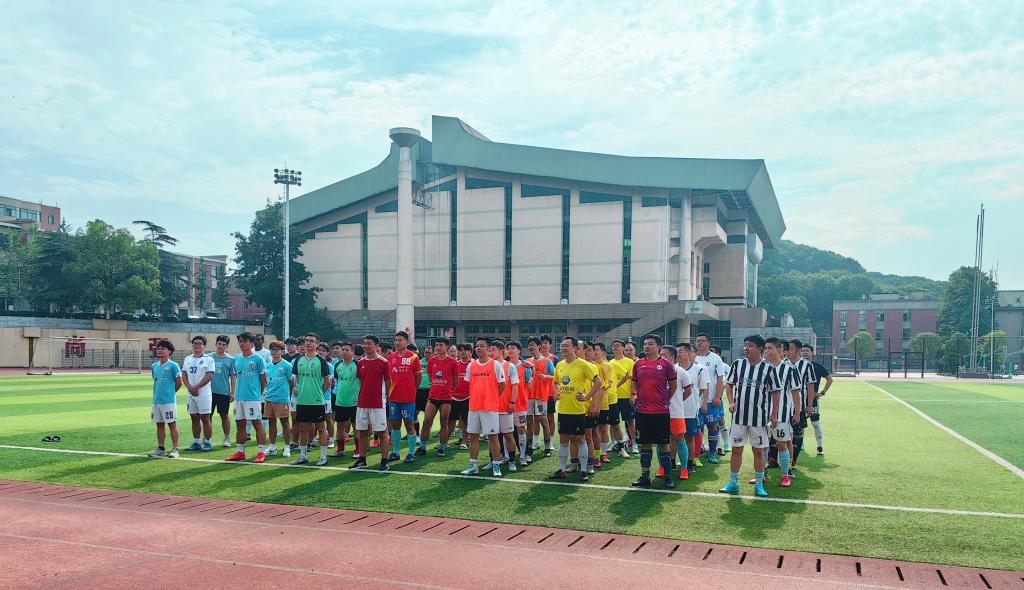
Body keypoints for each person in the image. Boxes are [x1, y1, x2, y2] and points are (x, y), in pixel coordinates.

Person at [719, 334, 781, 497]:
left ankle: (759, 484)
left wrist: (774, 414)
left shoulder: (768, 369)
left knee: (758, 452)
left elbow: (776, 392)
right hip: (739, 418)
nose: (746, 348)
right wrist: (731, 402)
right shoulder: (738, 364)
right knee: (736, 450)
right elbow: (729, 384)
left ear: (760, 348)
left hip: (759, 419)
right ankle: (733, 483)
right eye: (745, 345)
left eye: (750, 345)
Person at [630, 335, 683, 489]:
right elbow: (636, 383)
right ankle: (645, 476)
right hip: (642, 412)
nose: (646, 346)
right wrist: (637, 396)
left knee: (664, 445)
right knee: (644, 444)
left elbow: (673, 385)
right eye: (645, 344)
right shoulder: (638, 364)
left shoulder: (666, 365)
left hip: (660, 412)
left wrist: (666, 400)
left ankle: (668, 476)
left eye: (650, 344)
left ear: (658, 347)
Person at [548, 336, 601, 482]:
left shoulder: (583, 364)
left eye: (566, 346)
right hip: (563, 409)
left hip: (577, 410)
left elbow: (598, 382)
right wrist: (556, 392)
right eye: (562, 346)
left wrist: (587, 396)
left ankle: (584, 471)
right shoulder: (560, 365)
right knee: (564, 439)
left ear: (575, 348)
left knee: (580, 439)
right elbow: (555, 381)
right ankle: (562, 469)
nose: (563, 348)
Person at [460, 337, 506, 477]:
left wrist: (492, 397)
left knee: (493, 437)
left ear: (488, 348)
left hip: (490, 408)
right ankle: (473, 466)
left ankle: (496, 466)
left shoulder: (495, 364)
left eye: (481, 346)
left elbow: (502, 384)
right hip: (474, 407)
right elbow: (470, 384)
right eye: (477, 346)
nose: (478, 348)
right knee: (473, 436)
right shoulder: (471, 365)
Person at [225, 332, 268, 463]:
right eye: (240, 341)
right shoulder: (237, 358)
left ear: (252, 343)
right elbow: (235, 376)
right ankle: (240, 452)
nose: (242, 343)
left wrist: (257, 394)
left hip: (252, 398)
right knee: (240, 424)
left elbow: (263, 380)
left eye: (245, 341)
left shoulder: (257, 359)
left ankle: (261, 452)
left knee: (257, 424)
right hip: (239, 398)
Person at [763, 337, 802, 487]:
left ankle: (785, 476)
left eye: (770, 348)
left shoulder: (790, 369)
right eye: (765, 348)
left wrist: (797, 412)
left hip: (782, 414)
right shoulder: (762, 367)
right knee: (762, 445)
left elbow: (796, 392)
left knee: (781, 444)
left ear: (779, 350)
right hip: (762, 413)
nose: (767, 351)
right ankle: (762, 473)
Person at [291, 333, 332, 466]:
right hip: (302, 401)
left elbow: (327, 382)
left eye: (311, 341)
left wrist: (319, 394)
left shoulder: (321, 361)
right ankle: (303, 456)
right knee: (302, 428)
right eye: (306, 340)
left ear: (317, 344)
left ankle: (323, 457)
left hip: (317, 401)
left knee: (321, 429)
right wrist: (296, 390)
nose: (308, 343)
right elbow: (294, 379)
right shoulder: (298, 360)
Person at [352, 335, 391, 470]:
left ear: (376, 345)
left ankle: (384, 461)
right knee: (362, 431)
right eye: (364, 343)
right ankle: (362, 460)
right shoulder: (361, 363)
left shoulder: (383, 362)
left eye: (369, 343)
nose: (366, 346)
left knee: (382, 433)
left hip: (378, 403)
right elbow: (360, 382)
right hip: (362, 403)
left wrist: (384, 397)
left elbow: (388, 382)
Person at [386, 331, 422, 464]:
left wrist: (411, 389)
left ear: (407, 342)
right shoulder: (391, 357)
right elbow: (388, 378)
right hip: (393, 398)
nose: (397, 342)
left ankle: (411, 453)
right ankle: (395, 452)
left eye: (400, 340)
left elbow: (419, 377)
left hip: (408, 398)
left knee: (409, 425)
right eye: (396, 340)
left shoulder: (413, 357)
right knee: (395, 425)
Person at [418, 337, 458, 457]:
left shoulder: (452, 362)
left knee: (444, 422)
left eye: (441, 345)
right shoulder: (432, 361)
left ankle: (441, 448)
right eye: (437, 345)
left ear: (447, 347)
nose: (438, 347)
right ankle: (422, 447)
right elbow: (431, 377)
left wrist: (448, 390)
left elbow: (455, 380)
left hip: (446, 398)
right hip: (433, 397)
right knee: (426, 421)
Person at [677, 342, 709, 480]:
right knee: (675, 437)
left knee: (689, 437)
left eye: (681, 351)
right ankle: (675, 462)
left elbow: (702, 388)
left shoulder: (699, 369)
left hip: (691, 410)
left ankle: (690, 463)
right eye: (677, 351)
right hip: (675, 410)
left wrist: (698, 402)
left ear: (689, 353)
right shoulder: (673, 369)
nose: (678, 354)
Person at [694, 333, 727, 463]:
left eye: (702, 341)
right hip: (695, 401)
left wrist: (717, 396)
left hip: (711, 399)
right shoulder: (692, 357)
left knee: (713, 426)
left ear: (708, 343)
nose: (699, 343)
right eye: (697, 340)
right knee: (697, 428)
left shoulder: (716, 358)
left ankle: (712, 452)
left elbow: (720, 378)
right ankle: (696, 453)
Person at [489, 340, 521, 472]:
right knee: (492, 436)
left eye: (493, 350)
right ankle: (493, 461)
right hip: (490, 408)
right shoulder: (488, 365)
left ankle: (511, 461)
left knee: (508, 435)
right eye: (489, 350)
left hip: (505, 407)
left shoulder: (510, 366)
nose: (491, 353)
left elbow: (515, 386)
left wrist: (512, 402)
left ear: (501, 351)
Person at [148, 339, 182, 459]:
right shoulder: (154, 366)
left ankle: (175, 449)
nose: (160, 350)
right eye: (158, 348)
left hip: (168, 401)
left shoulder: (173, 365)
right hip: (156, 400)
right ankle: (160, 448)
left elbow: (179, 382)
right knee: (159, 425)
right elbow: (155, 380)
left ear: (169, 351)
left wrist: (170, 393)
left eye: (163, 348)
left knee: (172, 424)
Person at [182, 336, 216, 452]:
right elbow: (184, 374)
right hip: (191, 393)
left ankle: (208, 442)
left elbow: (209, 376)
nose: (196, 345)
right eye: (194, 343)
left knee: (205, 418)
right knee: (194, 417)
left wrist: (196, 387)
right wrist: (189, 387)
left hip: (204, 393)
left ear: (204, 346)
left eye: (199, 343)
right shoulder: (187, 359)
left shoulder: (209, 359)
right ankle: (196, 442)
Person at [525, 337, 555, 462]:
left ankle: (547, 446)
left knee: (543, 420)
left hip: (541, 396)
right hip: (529, 396)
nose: (530, 347)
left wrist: (546, 376)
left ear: (538, 346)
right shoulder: (527, 362)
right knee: (529, 422)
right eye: (529, 345)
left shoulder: (547, 361)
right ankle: (529, 446)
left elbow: (555, 377)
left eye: (532, 345)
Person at [264, 340, 295, 458]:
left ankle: (287, 447)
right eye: (272, 349)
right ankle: (272, 447)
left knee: (285, 423)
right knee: (271, 422)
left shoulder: (287, 365)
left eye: (276, 349)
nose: (274, 352)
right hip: (269, 398)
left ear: (282, 351)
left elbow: (291, 382)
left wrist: (288, 396)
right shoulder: (267, 365)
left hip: (282, 399)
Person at [801, 344, 832, 456]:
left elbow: (829, 379)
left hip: (812, 399)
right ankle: (800, 445)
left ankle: (820, 446)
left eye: (807, 351)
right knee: (800, 423)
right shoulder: (796, 366)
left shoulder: (817, 366)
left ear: (812, 353)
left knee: (815, 423)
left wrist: (822, 393)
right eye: (803, 351)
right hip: (799, 399)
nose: (804, 353)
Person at [506, 341, 532, 467]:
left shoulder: (525, 367)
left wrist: (523, 397)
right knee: (507, 431)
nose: (510, 350)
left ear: (519, 351)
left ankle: (523, 456)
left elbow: (529, 386)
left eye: (513, 348)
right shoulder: (503, 365)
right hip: (506, 405)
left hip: (520, 404)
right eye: (508, 348)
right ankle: (507, 456)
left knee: (521, 429)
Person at [332, 342, 359, 458]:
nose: (344, 352)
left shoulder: (358, 364)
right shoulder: (337, 365)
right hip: (340, 401)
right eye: (343, 349)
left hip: (355, 402)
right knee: (340, 426)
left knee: (356, 427)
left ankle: (358, 450)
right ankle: (340, 450)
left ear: (352, 351)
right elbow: (337, 383)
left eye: (347, 350)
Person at [609, 339, 635, 458]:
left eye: (617, 345)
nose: (615, 347)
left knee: (630, 421)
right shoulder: (610, 363)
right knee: (613, 422)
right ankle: (614, 442)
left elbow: (633, 379)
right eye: (613, 346)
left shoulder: (630, 362)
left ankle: (634, 443)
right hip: (613, 397)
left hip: (626, 396)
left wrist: (632, 394)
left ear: (623, 348)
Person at [209, 335, 236, 448]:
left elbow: (233, 376)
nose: (221, 346)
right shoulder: (209, 357)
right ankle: (207, 439)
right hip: (209, 393)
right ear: (216, 344)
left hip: (224, 392)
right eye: (219, 344)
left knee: (224, 415)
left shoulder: (230, 359)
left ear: (227, 346)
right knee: (207, 416)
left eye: (223, 345)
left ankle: (227, 438)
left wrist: (232, 392)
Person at [593, 343, 614, 468]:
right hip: (589, 403)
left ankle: (603, 453)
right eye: (593, 350)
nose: (595, 352)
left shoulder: (607, 366)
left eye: (597, 350)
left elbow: (609, 382)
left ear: (602, 352)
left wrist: (600, 387)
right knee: (592, 430)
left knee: (603, 428)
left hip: (602, 402)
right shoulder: (589, 365)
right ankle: (593, 454)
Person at [450, 343, 473, 450]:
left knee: (466, 420)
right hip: (454, 397)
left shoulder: (473, 364)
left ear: (470, 352)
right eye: (461, 350)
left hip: (468, 397)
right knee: (450, 420)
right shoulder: (455, 364)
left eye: (465, 350)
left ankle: (464, 442)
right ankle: (444, 443)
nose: (462, 352)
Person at [540, 334, 558, 453]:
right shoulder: (533, 359)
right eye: (542, 343)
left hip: (550, 393)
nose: (544, 345)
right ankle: (536, 441)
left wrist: (557, 392)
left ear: (550, 345)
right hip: (538, 394)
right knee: (537, 419)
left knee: (550, 417)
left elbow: (557, 377)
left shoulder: (554, 359)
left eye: (546, 343)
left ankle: (550, 441)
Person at [414, 344, 432, 446]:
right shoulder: (419, 362)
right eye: (426, 352)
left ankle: (426, 435)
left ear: (433, 354)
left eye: (429, 353)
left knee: (428, 417)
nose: (427, 354)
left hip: (429, 391)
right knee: (414, 414)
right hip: (419, 391)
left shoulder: (435, 362)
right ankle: (416, 435)